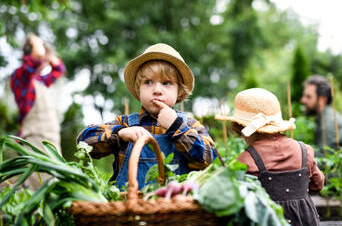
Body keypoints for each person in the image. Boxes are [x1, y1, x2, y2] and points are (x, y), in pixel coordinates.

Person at [77, 43, 217, 190]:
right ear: (139, 89)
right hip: (130, 208)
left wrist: (177, 128)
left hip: (177, 208)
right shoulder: (125, 123)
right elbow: (84, 142)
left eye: (166, 83)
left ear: (179, 91)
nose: (157, 90)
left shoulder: (189, 125)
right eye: (148, 82)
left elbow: (210, 161)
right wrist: (119, 133)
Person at [216, 88, 324, 226]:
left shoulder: (246, 161)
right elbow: (317, 184)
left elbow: (234, 199)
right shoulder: (305, 151)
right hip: (306, 221)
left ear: (243, 128)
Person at [10, 33, 66, 190]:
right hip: (33, 138)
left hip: (51, 139)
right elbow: (36, 57)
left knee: (52, 178)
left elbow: (59, 69)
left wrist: (49, 57)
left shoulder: (41, 81)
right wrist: (35, 40)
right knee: (37, 181)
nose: (44, 61)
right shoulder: (20, 76)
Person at [301, 75, 342, 178]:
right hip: (340, 174)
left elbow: (324, 162)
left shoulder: (329, 122)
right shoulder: (323, 118)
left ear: (322, 99)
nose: (303, 100)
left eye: (308, 97)